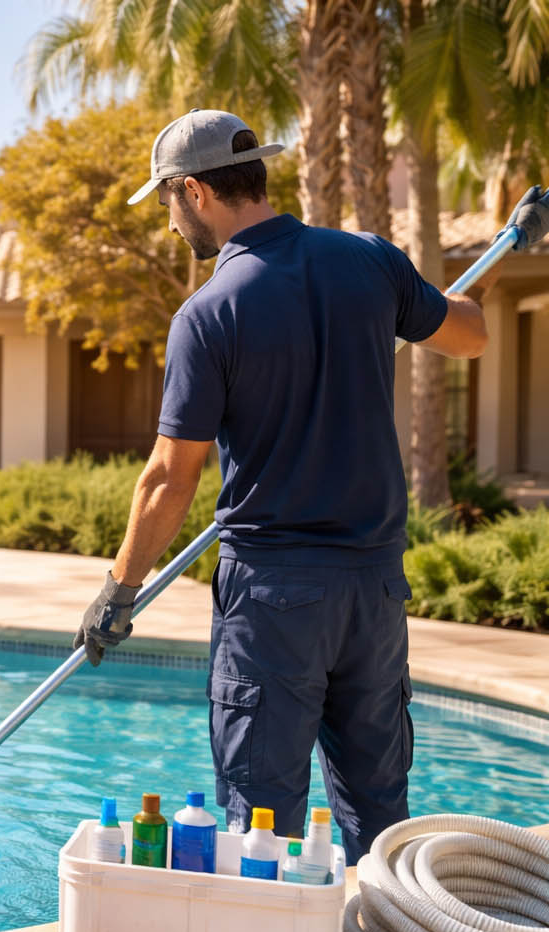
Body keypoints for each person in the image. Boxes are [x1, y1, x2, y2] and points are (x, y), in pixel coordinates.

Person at [72, 109, 492, 861]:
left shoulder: (208, 313)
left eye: (168, 200)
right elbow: (469, 336)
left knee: (261, 821)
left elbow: (171, 477)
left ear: (195, 191)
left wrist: (119, 589)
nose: (172, 222)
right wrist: (470, 287)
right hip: (375, 590)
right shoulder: (369, 261)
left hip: (273, 599)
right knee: (378, 810)